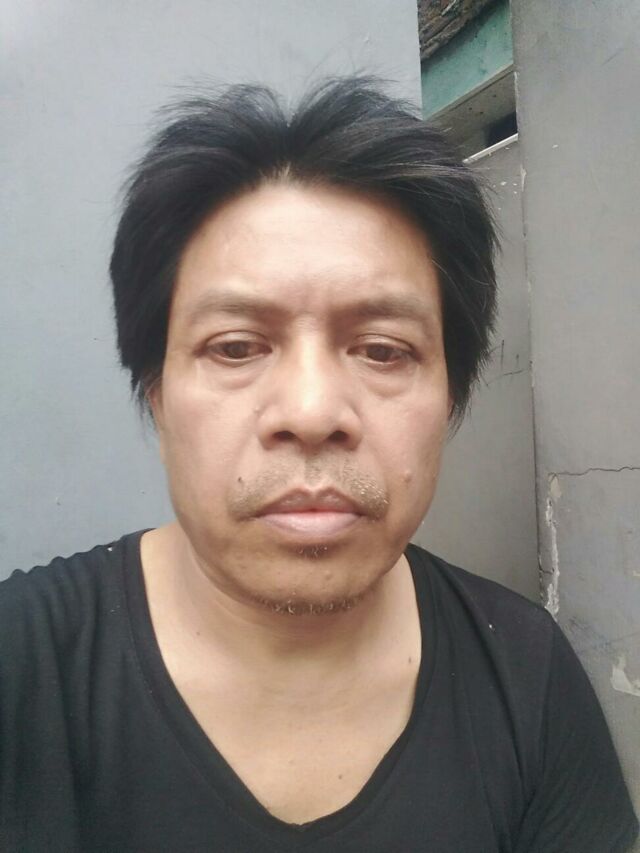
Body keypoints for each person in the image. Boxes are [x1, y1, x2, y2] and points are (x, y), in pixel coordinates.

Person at [1, 77, 637, 853]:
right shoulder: (23, 665)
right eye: (237, 346)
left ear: (450, 395)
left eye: (383, 350)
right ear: (156, 392)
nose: (310, 411)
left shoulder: (527, 676)